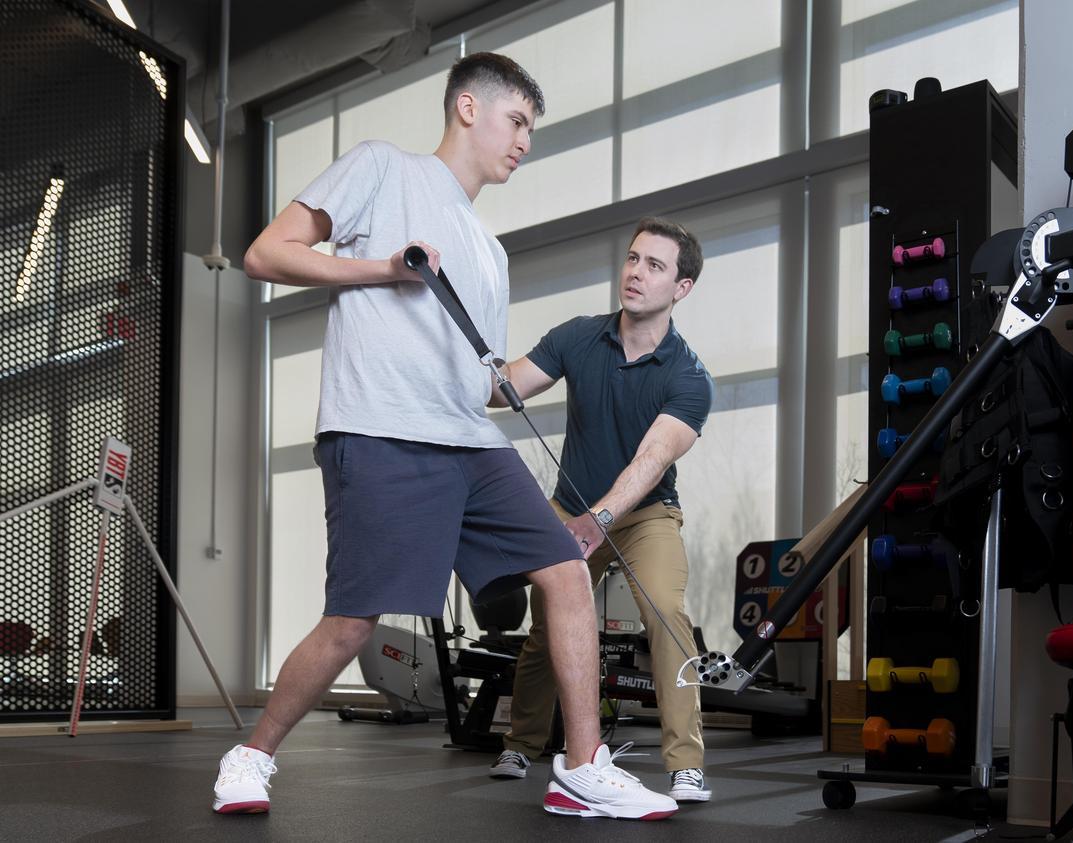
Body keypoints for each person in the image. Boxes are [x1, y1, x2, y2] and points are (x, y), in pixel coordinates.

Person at [213, 53, 676, 821]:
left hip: (469, 440)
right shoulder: (382, 170)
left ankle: (582, 767)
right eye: (517, 121)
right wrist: (384, 268)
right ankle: (252, 752)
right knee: (355, 617)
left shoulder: (489, 253)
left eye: (532, 128)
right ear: (468, 107)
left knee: (564, 568)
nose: (525, 141)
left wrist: (562, 365)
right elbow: (267, 252)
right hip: (380, 429)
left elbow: (475, 379)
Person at [489, 217, 716, 803]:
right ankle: (522, 741)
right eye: (633, 259)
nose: (636, 273)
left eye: (655, 266)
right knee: (548, 628)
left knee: (666, 614)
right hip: (570, 508)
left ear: (682, 288)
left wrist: (601, 520)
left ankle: (685, 763)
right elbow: (503, 387)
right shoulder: (578, 336)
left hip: (644, 516)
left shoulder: (690, 378)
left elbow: (650, 460)